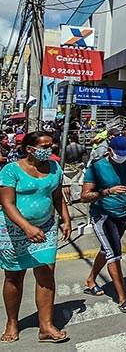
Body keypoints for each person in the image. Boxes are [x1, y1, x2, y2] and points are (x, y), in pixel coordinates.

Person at [0, 132, 71, 343]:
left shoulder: (55, 168)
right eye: (45, 146)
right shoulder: (10, 170)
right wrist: (26, 227)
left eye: (51, 145)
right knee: (14, 276)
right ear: (29, 149)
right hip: (13, 231)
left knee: (47, 274)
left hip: (46, 227)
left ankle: (46, 326)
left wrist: (65, 219)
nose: (50, 149)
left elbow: (57, 196)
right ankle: (12, 322)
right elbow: (7, 203)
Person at [80, 136, 126, 313]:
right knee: (114, 253)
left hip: (122, 213)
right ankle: (123, 297)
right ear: (110, 151)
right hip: (103, 215)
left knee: (106, 249)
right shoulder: (96, 167)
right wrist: (108, 191)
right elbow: (84, 196)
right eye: (119, 154)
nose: (122, 157)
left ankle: (90, 280)